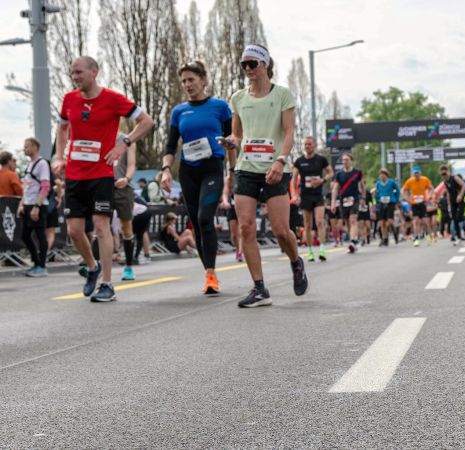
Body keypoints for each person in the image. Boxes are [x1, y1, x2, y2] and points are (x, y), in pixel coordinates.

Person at [52, 56, 154, 303]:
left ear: (94, 72)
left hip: (101, 174)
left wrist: (124, 143)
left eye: (79, 72)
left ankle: (107, 284)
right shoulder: (69, 99)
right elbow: (62, 128)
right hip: (75, 174)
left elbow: (147, 121)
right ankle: (92, 266)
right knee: (74, 231)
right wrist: (59, 157)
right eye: (72, 73)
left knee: (101, 226)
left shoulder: (113, 99)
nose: (75, 77)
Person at [226, 44, 308, 307]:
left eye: (252, 63)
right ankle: (259, 288)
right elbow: (237, 134)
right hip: (246, 168)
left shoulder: (282, 94)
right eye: (244, 65)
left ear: (265, 64)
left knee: (281, 231)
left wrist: (281, 160)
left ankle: (296, 262)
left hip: (275, 169)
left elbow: (289, 132)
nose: (248, 69)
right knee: (246, 227)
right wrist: (230, 141)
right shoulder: (238, 98)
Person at [161, 61, 231, 294]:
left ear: (203, 80)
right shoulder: (179, 111)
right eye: (183, 81)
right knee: (197, 225)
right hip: (188, 171)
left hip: (212, 168)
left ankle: (211, 272)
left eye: (191, 79)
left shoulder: (220, 107)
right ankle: (210, 275)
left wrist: (233, 169)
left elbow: (233, 138)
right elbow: (170, 146)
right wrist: (166, 169)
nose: (187, 85)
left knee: (204, 218)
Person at [292, 136, 333, 261]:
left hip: (318, 195)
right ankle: (310, 251)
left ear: (314, 145)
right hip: (305, 195)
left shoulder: (321, 159)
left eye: (309, 144)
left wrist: (322, 180)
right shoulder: (299, 161)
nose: (307, 146)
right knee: (307, 225)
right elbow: (294, 179)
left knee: (320, 222)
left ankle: (322, 249)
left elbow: (331, 173)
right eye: (305, 144)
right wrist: (294, 194)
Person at [18, 138, 51, 276]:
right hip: (28, 204)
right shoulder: (29, 165)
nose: (24, 149)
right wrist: (22, 203)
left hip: (38, 204)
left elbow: (45, 186)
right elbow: (27, 187)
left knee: (40, 235)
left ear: (35, 147)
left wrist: (37, 206)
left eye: (27, 146)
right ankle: (36, 262)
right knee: (25, 235)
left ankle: (42, 266)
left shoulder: (42, 164)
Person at [109, 133, 137, 281]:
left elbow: (131, 165)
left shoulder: (127, 139)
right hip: (104, 186)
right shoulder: (100, 135)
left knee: (126, 227)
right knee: (99, 226)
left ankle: (128, 267)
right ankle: (95, 266)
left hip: (123, 187)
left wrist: (126, 178)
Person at [330, 152, 365, 253]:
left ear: (351, 161)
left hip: (355, 198)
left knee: (353, 220)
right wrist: (333, 202)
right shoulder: (339, 174)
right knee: (348, 222)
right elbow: (335, 189)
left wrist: (363, 198)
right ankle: (352, 241)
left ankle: (353, 241)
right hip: (343, 200)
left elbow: (362, 186)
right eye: (343, 160)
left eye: (347, 160)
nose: (344, 162)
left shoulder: (357, 172)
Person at [402, 165, 433, 247]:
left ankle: (427, 236)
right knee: (415, 221)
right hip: (414, 203)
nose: (416, 175)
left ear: (420, 173)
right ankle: (416, 239)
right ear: (413, 174)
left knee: (425, 222)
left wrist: (429, 197)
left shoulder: (425, 180)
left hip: (423, 203)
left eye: (417, 173)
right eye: (415, 173)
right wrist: (406, 198)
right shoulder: (410, 181)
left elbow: (431, 188)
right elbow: (403, 190)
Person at [374, 168, 401, 247]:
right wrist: (378, 199)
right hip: (382, 203)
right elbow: (377, 192)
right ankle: (385, 239)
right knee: (382, 222)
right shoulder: (378, 183)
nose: (382, 176)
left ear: (386, 175)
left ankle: (395, 234)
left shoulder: (391, 182)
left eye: (383, 175)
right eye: (380, 175)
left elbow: (397, 191)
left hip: (390, 203)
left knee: (390, 221)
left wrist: (395, 199)